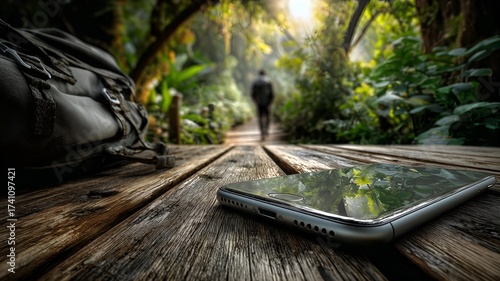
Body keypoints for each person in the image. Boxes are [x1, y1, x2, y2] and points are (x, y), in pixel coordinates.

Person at [251, 69, 274, 140]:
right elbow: (272, 93)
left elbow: (252, 94)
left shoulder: (255, 82)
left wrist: (256, 101)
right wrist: (270, 102)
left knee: (260, 117)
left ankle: (261, 131)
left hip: (259, 102)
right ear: (265, 74)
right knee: (267, 116)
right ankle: (266, 129)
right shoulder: (268, 81)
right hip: (267, 102)